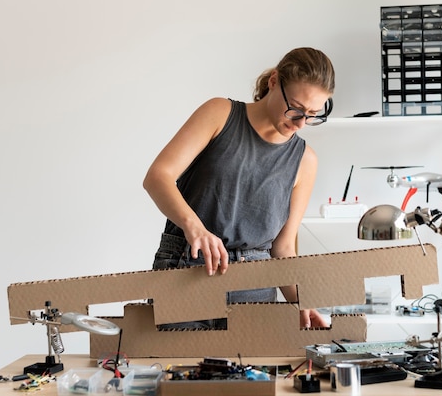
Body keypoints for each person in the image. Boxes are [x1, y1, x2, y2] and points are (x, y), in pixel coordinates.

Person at [143, 47, 335, 329]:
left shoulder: (305, 160)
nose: (300, 123)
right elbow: (157, 176)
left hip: (255, 287)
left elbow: (282, 248)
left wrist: (303, 301)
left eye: (312, 114)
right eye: (295, 108)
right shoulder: (220, 113)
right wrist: (194, 227)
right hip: (187, 270)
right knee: (178, 370)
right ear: (273, 81)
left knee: (251, 372)